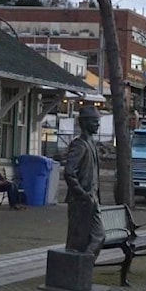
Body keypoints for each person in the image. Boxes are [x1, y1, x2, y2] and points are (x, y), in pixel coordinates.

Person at [64, 105, 105, 257]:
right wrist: (82, 194)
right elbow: (69, 172)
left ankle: (83, 269)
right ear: (85, 122)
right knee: (77, 241)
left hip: (91, 200)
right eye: (95, 121)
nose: (98, 124)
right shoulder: (79, 144)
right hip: (80, 200)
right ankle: (75, 272)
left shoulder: (91, 144)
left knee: (98, 236)